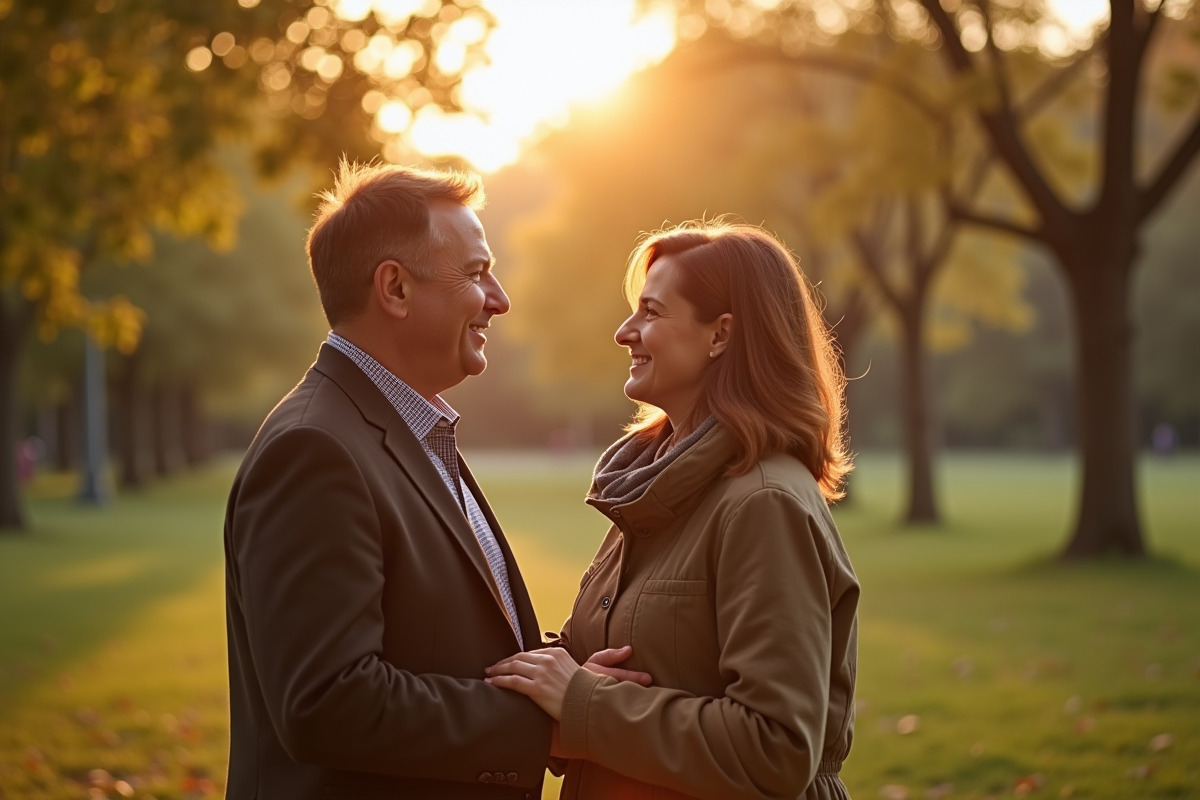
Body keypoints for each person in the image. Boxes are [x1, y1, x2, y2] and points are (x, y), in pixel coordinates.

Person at [223, 161, 643, 800]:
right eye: (476, 273)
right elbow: (329, 703)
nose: (499, 298)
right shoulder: (316, 450)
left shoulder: (403, 430)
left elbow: (448, 641)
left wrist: (572, 680)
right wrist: (548, 724)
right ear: (394, 288)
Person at [487, 219, 860, 800]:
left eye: (652, 313)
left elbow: (776, 749)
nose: (623, 332)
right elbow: (603, 666)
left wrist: (583, 703)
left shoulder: (763, 503)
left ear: (720, 335)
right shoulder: (656, 488)